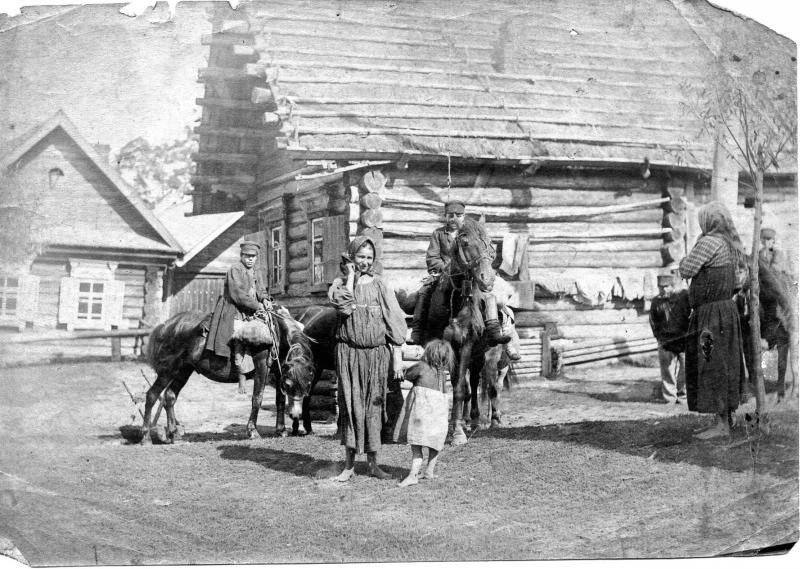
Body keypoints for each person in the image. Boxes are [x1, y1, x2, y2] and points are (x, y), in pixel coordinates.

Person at [328, 236, 407, 481]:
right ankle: (349, 466)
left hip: (376, 356)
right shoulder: (339, 284)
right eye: (360, 257)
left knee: (374, 406)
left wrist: (396, 355)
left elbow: (394, 320)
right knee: (351, 407)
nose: (364, 262)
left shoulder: (380, 284)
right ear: (351, 257)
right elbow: (345, 307)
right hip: (349, 354)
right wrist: (351, 277)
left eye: (369, 258)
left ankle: (374, 464)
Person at [678, 202, 747, 440]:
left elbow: (686, 269)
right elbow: (738, 283)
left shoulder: (708, 242)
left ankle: (721, 426)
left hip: (710, 316)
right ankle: (726, 419)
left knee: (711, 364)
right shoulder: (732, 244)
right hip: (727, 313)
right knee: (725, 364)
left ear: (709, 222)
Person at [409, 200, 510, 346]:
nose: (454, 219)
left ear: (464, 216)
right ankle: (417, 330)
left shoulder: (472, 234)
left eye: (459, 215)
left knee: (489, 293)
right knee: (424, 291)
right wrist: (445, 268)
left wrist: (480, 267)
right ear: (445, 216)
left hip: (470, 274)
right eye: (450, 215)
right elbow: (432, 257)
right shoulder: (439, 234)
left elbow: (483, 252)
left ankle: (493, 329)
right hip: (446, 274)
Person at [205, 241, 270, 394]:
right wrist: (258, 306)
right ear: (241, 256)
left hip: (251, 310)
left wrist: (265, 299)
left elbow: (260, 290)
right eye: (247, 256)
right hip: (233, 309)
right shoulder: (235, 270)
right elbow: (238, 295)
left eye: (253, 257)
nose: (250, 259)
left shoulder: (255, 271)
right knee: (240, 335)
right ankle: (241, 373)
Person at [394, 339, 454, 487]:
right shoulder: (442, 374)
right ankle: (429, 471)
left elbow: (407, 375)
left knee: (417, 446)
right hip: (438, 416)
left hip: (422, 415)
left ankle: (413, 476)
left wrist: (400, 367)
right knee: (434, 444)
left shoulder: (421, 367)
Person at [648, 272, 690, 404]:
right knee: (667, 371)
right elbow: (653, 321)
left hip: (683, 340)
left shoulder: (683, 297)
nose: (663, 290)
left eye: (666, 287)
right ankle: (669, 397)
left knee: (686, 369)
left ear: (672, 286)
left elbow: (690, 315)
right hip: (665, 341)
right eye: (661, 287)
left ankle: (683, 396)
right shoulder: (656, 302)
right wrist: (659, 338)